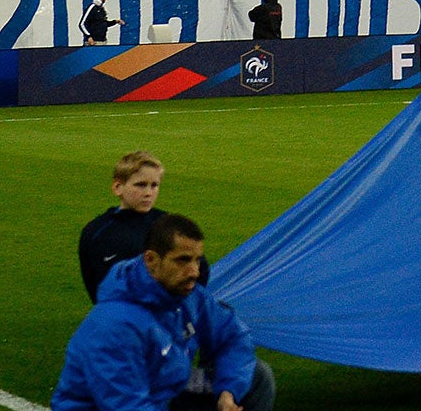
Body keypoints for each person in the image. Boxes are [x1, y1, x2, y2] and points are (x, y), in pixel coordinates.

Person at [53, 212, 273, 411]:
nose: (194, 272)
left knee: (255, 376)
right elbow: (126, 404)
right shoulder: (115, 325)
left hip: (164, 389)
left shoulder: (188, 295)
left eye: (198, 260)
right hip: (122, 403)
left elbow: (233, 337)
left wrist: (228, 392)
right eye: (183, 260)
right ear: (151, 259)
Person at [79, 151, 212, 303]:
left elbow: (201, 269)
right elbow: (103, 288)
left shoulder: (168, 223)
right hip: (126, 319)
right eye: (141, 185)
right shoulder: (99, 233)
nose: (148, 193)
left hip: (172, 312)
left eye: (154, 185)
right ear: (118, 187)